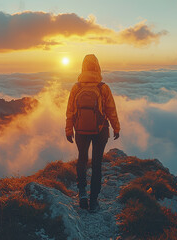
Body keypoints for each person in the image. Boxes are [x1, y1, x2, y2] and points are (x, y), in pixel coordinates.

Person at [65, 54, 120, 212]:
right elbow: (111, 110)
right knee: (97, 165)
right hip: (100, 130)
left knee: (82, 160)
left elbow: (70, 111)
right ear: (97, 67)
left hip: (80, 130)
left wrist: (69, 129)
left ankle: (82, 193)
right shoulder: (103, 87)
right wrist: (116, 128)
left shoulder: (77, 87)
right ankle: (94, 201)